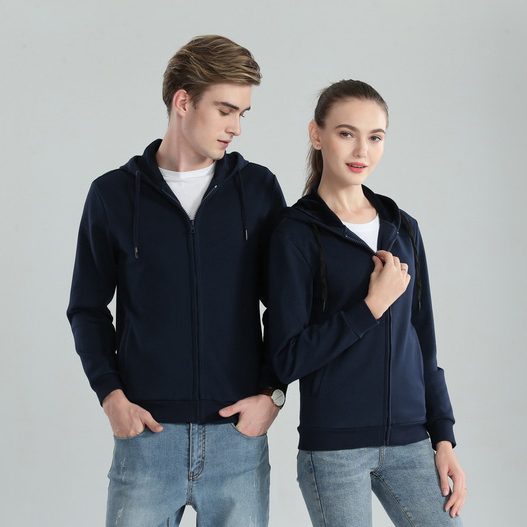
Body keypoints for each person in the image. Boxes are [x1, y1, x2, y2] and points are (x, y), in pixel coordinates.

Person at [67, 35, 286, 527]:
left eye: (242, 114)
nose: (236, 127)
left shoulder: (258, 190)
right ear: (183, 102)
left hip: (237, 439)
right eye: (226, 110)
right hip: (147, 437)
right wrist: (111, 397)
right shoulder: (113, 195)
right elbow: (86, 307)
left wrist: (273, 393)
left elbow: (285, 304)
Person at [268, 79, 466, 526]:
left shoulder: (403, 228)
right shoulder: (294, 234)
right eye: (346, 133)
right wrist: (370, 307)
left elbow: (424, 342)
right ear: (317, 135)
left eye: (375, 137)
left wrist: (444, 439)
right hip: (334, 450)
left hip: (412, 442)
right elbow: (286, 358)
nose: (362, 150)